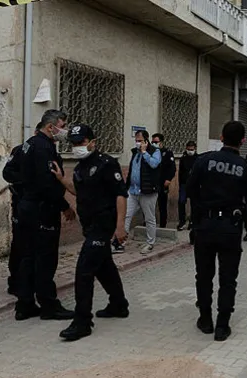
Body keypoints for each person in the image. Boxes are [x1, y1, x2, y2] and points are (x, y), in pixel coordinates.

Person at [51, 124, 130, 341]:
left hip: (103, 226)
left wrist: (120, 226)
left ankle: (82, 321)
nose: (78, 147)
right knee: (104, 267)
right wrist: (61, 179)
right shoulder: (79, 168)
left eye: (82, 142)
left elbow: (120, 195)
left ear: (93, 142)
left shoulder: (107, 163)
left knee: (84, 270)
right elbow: (79, 191)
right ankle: (119, 304)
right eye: (75, 143)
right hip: (90, 226)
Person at [187, 121, 247, 342]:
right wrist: (241, 214)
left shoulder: (203, 161)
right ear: (242, 141)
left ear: (221, 137)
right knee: (228, 279)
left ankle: (205, 320)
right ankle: (222, 325)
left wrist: (201, 210)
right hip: (231, 228)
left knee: (204, 275)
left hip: (205, 227)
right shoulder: (246, 168)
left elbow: (190, 190)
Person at [15, 110, 76, 321]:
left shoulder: (29, 144)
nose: (64, 130)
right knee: (45, 260)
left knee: (28, 258)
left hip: (27, 207)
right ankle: (49, 305)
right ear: (51, 127)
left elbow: (16, 173)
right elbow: (47, 184)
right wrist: (64, 206)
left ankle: (24, 305)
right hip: (42, 210)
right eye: (63, 125)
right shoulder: (43, 148)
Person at [122, 130, 162, 254]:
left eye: (140, 141)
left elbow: (154, 164)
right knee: (126, 215)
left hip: (148, 191)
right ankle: (120, 242)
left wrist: (144, 152)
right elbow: (132, 171)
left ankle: (150, 243)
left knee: (149, 218)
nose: (138, 143)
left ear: (146, 140)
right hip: (133, 191)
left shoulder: (155, 151)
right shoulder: (135, 153)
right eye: (136, 140)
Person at [2, 138, 28, 296]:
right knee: (19, 244)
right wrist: (26, 180)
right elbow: (7, 173)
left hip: (39, 208)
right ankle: (16, 282)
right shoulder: (20, 151)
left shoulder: (48, 151)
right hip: (21, 204)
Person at [151, 133, 176, 229]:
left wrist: (168, 179)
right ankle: (149, 224)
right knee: (150, 205)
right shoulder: (151, 152)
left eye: (156, 142)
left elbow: (172, 168)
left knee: (162, 205)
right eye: (152, 142)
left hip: (163, 183)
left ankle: (162, 225)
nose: (154, 143)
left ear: (161, 142)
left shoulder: (167, 153)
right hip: (152, 183)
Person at [177, 141, 198, 231]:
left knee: (194, 204)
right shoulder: (183, 158)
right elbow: (180, 172)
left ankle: (192, 222)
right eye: (189, 149)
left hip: (194, 185)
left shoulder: (198, 158)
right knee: (181, 202)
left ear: (195, 148)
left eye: (192, 149)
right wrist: (180, 184)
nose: (190, 151)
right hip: (184, 184)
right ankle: (182, 221)